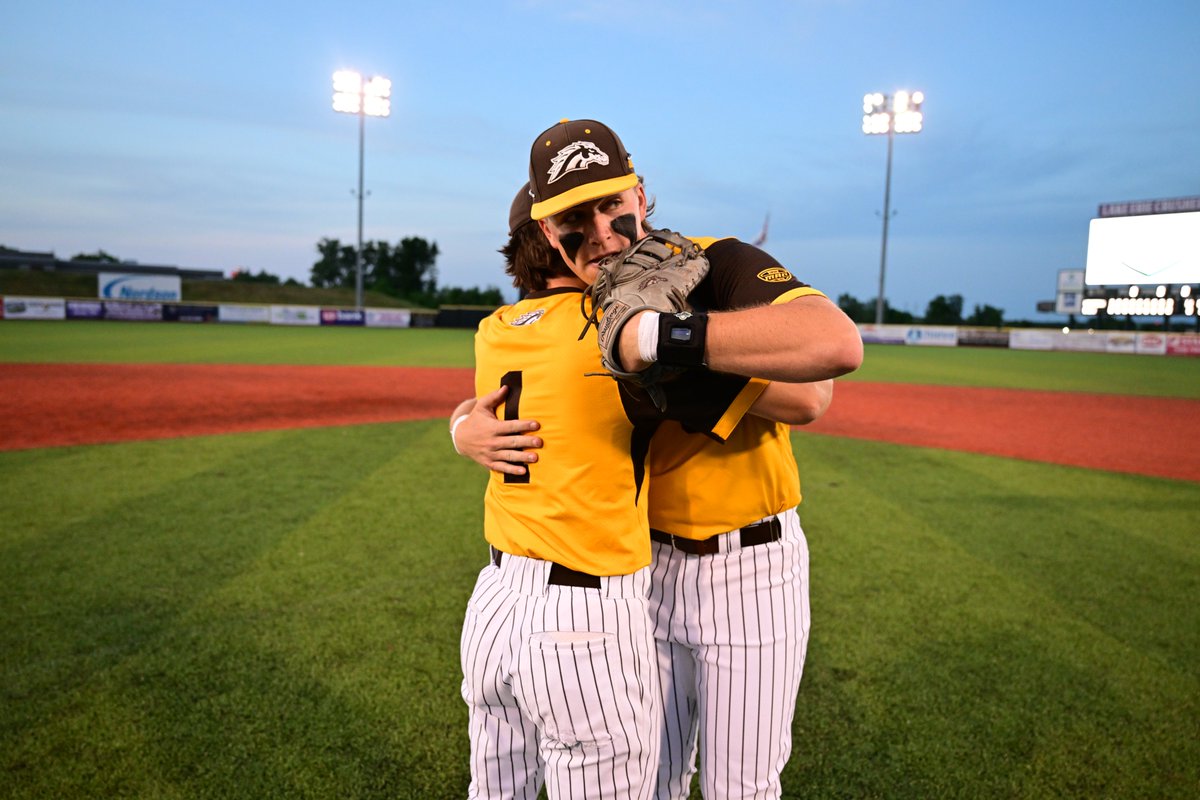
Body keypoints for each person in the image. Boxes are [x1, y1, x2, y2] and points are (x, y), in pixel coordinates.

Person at [456, 118, 862, 799]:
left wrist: (665, 341)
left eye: (613, 206)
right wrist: (463, 425)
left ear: (639, 194)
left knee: (743, 787)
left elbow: (815, 390)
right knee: (657, 781)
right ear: (548, 234)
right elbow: (522, 391)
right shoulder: (578, 311)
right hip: (641, 572)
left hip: (750, 564)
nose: (603, 234)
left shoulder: (707, 262)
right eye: (572, 221)